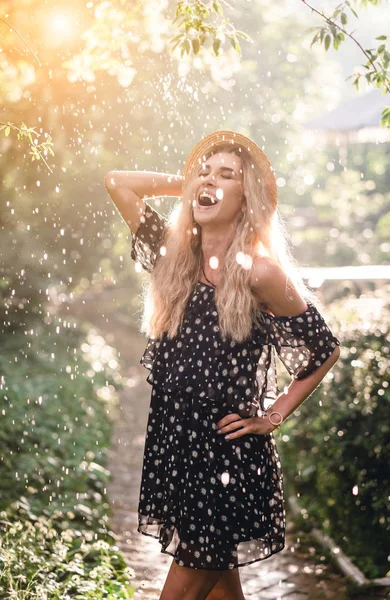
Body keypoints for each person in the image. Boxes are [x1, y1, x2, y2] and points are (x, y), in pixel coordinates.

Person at [104, 130, 341, 600]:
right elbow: (118, 183)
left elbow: (323, 349)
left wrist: (274, 415)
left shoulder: (260, 272)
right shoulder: (174, 258)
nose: (209, 182)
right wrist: (191, 183)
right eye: (204, 172)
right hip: (178, 451)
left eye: (226, 176)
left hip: (225, 458)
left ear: (247, 197)